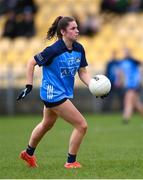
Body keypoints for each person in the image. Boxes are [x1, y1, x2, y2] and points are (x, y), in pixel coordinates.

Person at [17, 16, 92, 169]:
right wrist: (28, 85)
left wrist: (93, 85)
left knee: (46, 124)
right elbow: (31, 62)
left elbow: (82, 72)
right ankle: (71, 162)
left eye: (77, 27)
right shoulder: (53, 50)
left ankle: (28, 153)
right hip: (53, 94)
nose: (77, 30)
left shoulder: (79, 49)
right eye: (73, 28)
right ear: (63, 32)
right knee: (82, 125)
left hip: (59, 93)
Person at [119, 48, 143, 123]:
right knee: (136, 103)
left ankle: (126, 118)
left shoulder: (133, 61)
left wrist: (139, 78)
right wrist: (121, 81)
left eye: (126, 52)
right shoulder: (122, 62)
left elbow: (141, 66)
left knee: (128, 100)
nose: (125, 54)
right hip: (128, 84)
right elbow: (122, 73)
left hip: (134, 84)